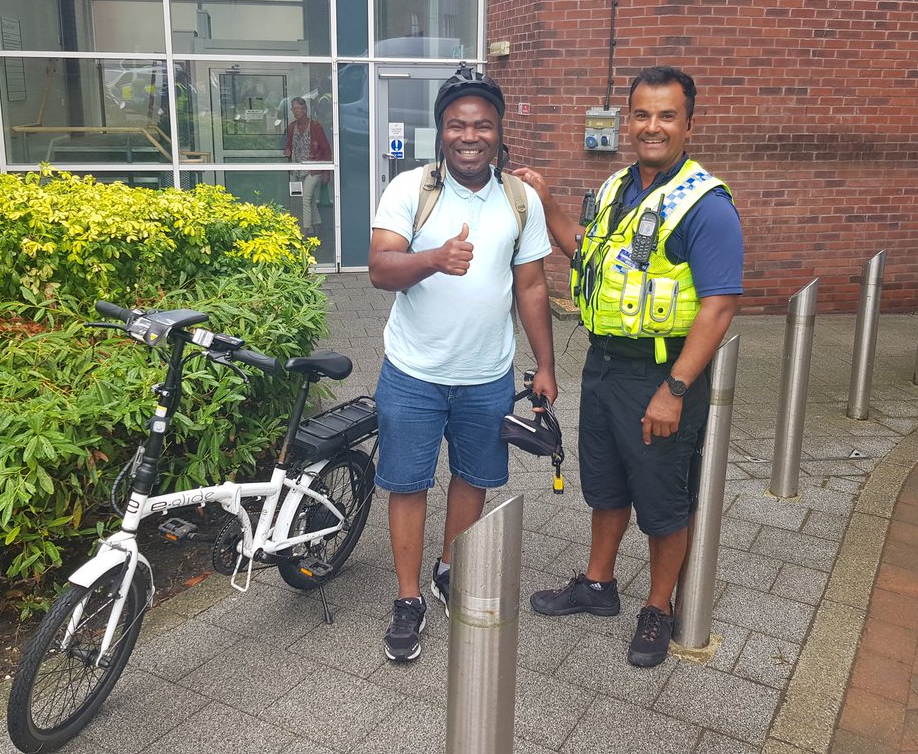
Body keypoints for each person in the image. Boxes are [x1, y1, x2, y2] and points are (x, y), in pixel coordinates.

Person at [512, 65, 743, 668]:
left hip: (660, 374)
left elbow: (719, 307)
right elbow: (583, 250)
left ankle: (658, 607)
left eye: (667, 115)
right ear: (627, 121)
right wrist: (545, 200)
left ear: (689, 123)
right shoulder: (618, 188)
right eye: (641, 114)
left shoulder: (706, 204)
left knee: (664, 500)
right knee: (607, 485)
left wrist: (675, 389)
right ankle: (598, 583)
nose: (652, 126)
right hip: (605, 366)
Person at [368, 64, 558, 662]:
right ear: (441, 132)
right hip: (414, 373)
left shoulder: (519, 199)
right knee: (406, 483)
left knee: (474, 479)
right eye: (456, 125)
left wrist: (545, 366)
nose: (468, 136)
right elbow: (379, 269)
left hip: (487, 377)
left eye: (481, 125)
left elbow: (530, 287)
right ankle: (406, 597)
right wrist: (433, 259)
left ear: (499, 134)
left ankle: (449, 568)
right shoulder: (409, 189)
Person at [283, 97, 332, 234]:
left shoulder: (315, 127)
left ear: (305, 110)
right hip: (296, 168)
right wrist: (287, 150)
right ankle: (317, 226)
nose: (296, 112)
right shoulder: (292, 126)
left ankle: (304, 232)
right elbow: (289, 144)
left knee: (305, 199)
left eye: (299, 109)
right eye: (294, 109)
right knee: (307, 199)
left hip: (313, 169)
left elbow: (326, 149)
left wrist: (327, 172)